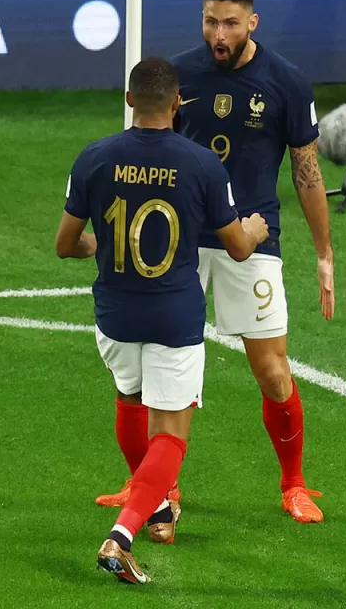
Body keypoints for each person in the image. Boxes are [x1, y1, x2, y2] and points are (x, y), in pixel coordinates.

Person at [94, 0, 336, 524]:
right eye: (210, 21)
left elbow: (307, 171)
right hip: (180, 242)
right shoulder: (179, 78)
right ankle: (152, 490)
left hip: (251, 241)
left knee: (273, 371)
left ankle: (294, 483)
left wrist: (324, 252)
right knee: (140, 377)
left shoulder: (287, 83)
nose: (218, 33)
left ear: (252, 22)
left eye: (229, 22)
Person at [55, 56, 269, 584]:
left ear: (129, 101)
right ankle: (121, 535)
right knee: (171, 438)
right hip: (173, 316)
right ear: (178, 105)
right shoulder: (200, 164)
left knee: (130, 400)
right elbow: (238, 248)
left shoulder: (94, 158)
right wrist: (259, 229)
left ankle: (156, 507)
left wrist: (98, 245)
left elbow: (65, 245)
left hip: (115, 314)